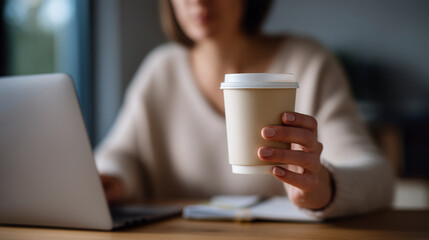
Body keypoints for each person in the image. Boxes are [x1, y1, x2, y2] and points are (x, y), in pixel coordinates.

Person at [95, 0, 394, 219]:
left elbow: (377, 178)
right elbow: (121, 154)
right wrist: (112, 179)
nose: (198, 2)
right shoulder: (160, 71)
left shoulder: (308, 65)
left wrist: (323, 189)